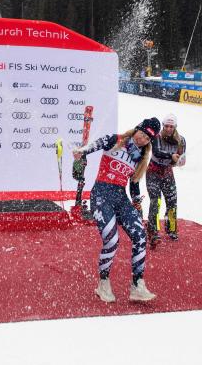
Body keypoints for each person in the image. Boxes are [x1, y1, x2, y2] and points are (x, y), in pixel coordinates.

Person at [73, 117, 161, 303]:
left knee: (140, 236)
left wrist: (137, 203)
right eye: (142, 134)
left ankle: (137, 285)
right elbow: (96, 144)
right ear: (137, 129)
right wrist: (82, 152)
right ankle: (103, 283)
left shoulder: (140, 158)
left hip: (121, 198)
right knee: (112, 240)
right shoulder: (117, 140)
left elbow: (134, 184)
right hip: (101, 194)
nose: (143, 139)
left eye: (148, 139)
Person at [145, 114, 186, 245]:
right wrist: (171, 156)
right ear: (163, 126)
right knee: (156, 201)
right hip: (153, 172)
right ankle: (153, 230)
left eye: (171, 126)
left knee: (172, 203)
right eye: (166, 126)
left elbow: (180, 160)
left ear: (175, 127)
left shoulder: (181, 140)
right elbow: (156, 152)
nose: (168, 129)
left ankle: (172, 229)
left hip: (167, 173)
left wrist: (180, 161)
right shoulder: (156, 136)